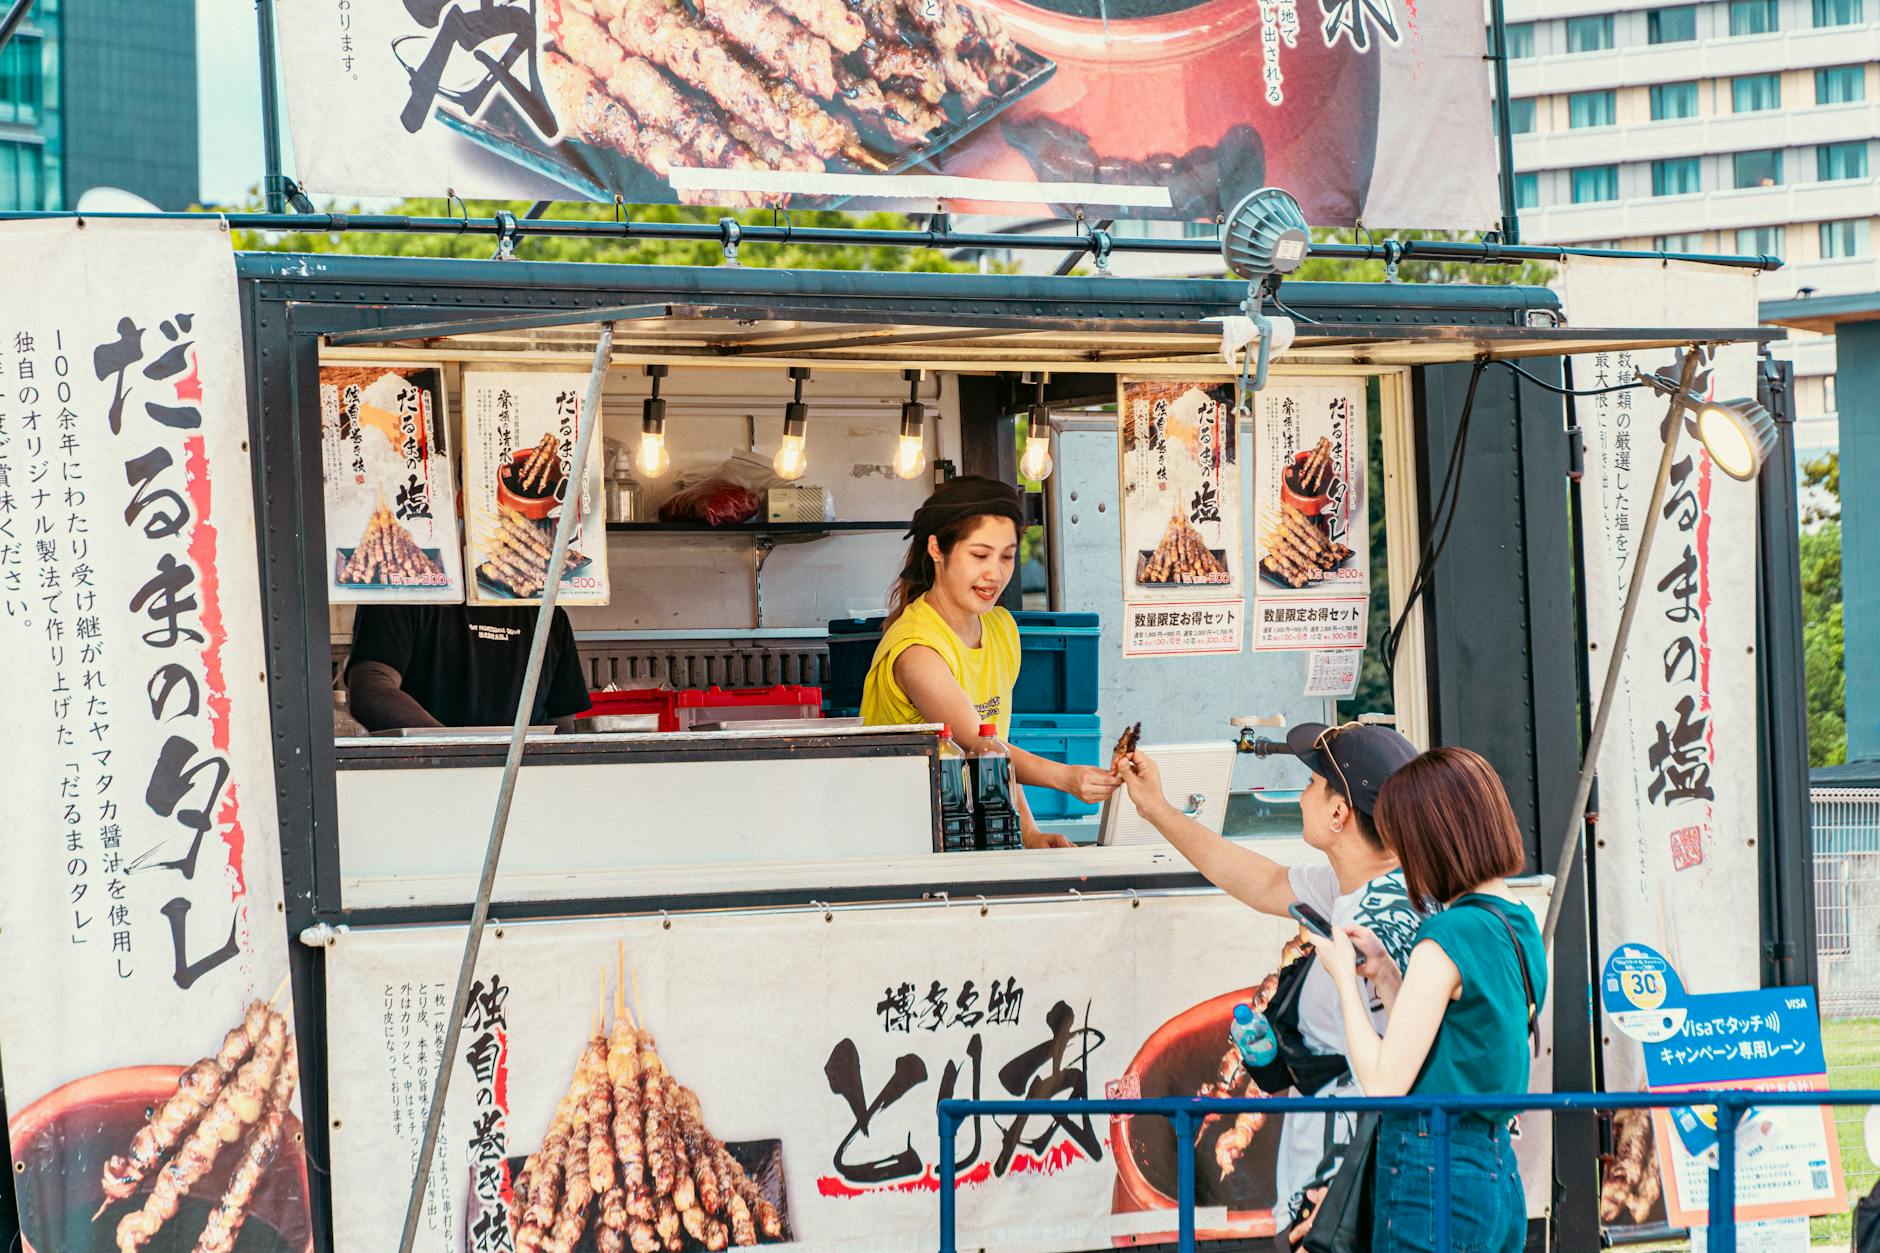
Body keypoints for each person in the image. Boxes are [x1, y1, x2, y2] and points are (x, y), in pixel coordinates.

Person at [1117, 721, 1423, 1241]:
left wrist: (1329, 1192)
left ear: (1338, 813)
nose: (1301, 794)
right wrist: (1157, 810)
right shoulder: (1363, 886)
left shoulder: (1370, 921)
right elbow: (1261, 880)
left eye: (1311, 783)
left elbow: (1385, 1072)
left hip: (1344, 1189)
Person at [1304, 746, 1546, 1253]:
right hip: (1497, 1172)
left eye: (1403, 845)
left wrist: (1345, 977)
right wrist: (1388, 975)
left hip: (1431, 1170)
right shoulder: (1516, 921)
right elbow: (1463, 1036)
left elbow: (1385, 1084)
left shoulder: (1447, 934)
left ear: (1430, 843)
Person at [861, 476, 1119, 849]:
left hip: (970, 838)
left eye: (1007, 556)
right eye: (979, 555)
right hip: (903, 839)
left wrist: (1028, 832)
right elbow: (978, 744)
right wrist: (1065, 777)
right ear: (937, 549)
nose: (994, 573)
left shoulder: (1000, 628)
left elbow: (998, 749)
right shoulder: (916, 649)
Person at [345, 602, 591, 732]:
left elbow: (562, 722)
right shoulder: (403, 593)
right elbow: (370, 688)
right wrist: (458, 750)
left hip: (524, 789)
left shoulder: (547, 613)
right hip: (426, 783)